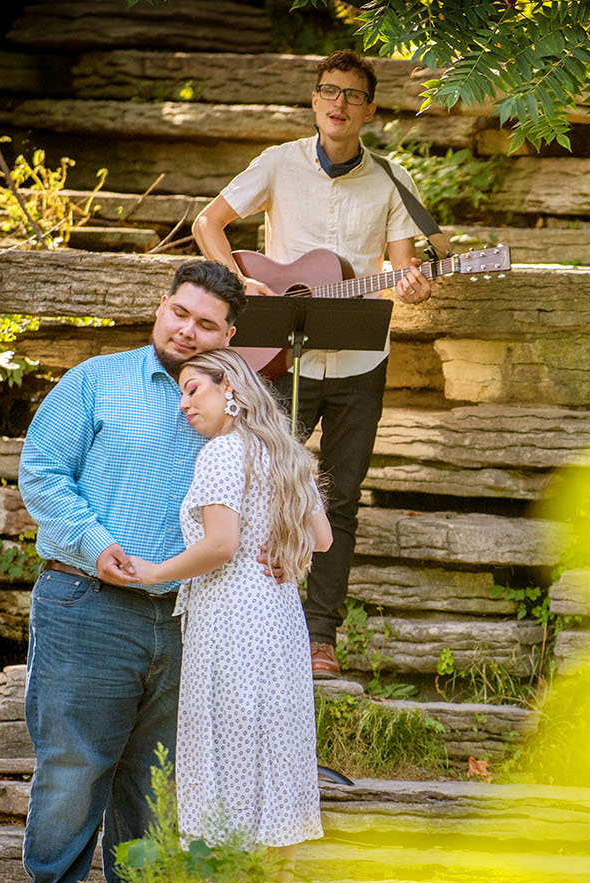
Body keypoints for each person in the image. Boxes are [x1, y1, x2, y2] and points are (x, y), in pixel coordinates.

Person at [191, 48, 452, 680]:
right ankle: (241, 618)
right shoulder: (278, 164)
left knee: (339, 499)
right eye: (328, 91)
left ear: (369, 108)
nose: (338, 104)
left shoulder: (392, 181)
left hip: (361, 360)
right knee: (256, 479)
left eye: (352, 95)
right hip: (279, 358)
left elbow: (399, 267)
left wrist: (412, 285)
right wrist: (240, 286)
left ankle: (319, 638)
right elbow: (210, 223)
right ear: (314, 99)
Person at [18, 259, 246, 883]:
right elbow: (41, 473)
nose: (186, 331)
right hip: (88, 602)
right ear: (161, 305)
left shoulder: (237, 407)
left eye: (206, 324)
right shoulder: (96, 380)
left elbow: (265, 483)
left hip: (186, 617)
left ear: (228, 337)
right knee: (73, 767)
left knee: (156, 776)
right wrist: (96, 544)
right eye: (179, 313)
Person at [127, 348, 332, 863]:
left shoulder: (222, 453)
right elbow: (323, 538)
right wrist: (288, 552)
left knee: (228, 744)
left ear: (231, 388)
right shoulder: (282, 452)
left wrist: (154, 572)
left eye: (193, 389)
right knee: (271, 742)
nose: (183, 405)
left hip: (232, 619)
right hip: (279, 618)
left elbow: (221, 546)